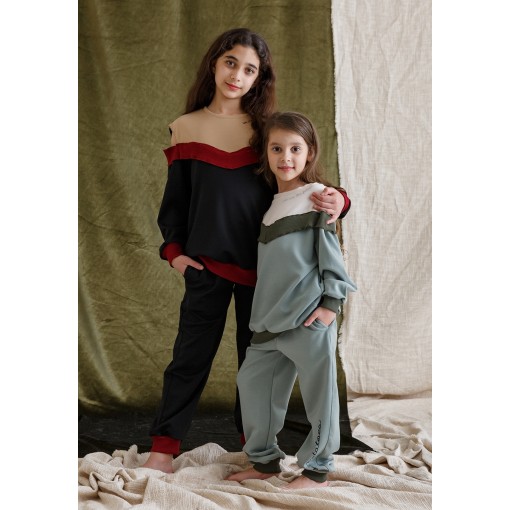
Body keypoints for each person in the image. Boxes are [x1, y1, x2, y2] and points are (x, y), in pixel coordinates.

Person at [143, 28, 350, 474]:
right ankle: (163, 448)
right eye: (231, 63)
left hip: (267, 276)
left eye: (250, 69)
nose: (237, 75)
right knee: (189, 359)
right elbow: (175, 202)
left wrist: (340, 199)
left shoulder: (267, 131)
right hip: (207, 268)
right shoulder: (185, 128)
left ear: (260, 78)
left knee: (257, 367)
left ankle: (253, 449)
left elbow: (303, 184)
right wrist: (175, 254)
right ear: (215, 64)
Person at [226, 111, 357, 489]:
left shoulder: (318, 199)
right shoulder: (270, 207)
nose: (286, 157)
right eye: (277, 148)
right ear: (266, 154)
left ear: (310, 152)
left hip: (308, 317)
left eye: (295, 149)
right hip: (268, 321)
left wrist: (329, 307)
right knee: (253, 384)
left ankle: (317, 469)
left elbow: (331, 256)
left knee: (320, 396)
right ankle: (265, 462)